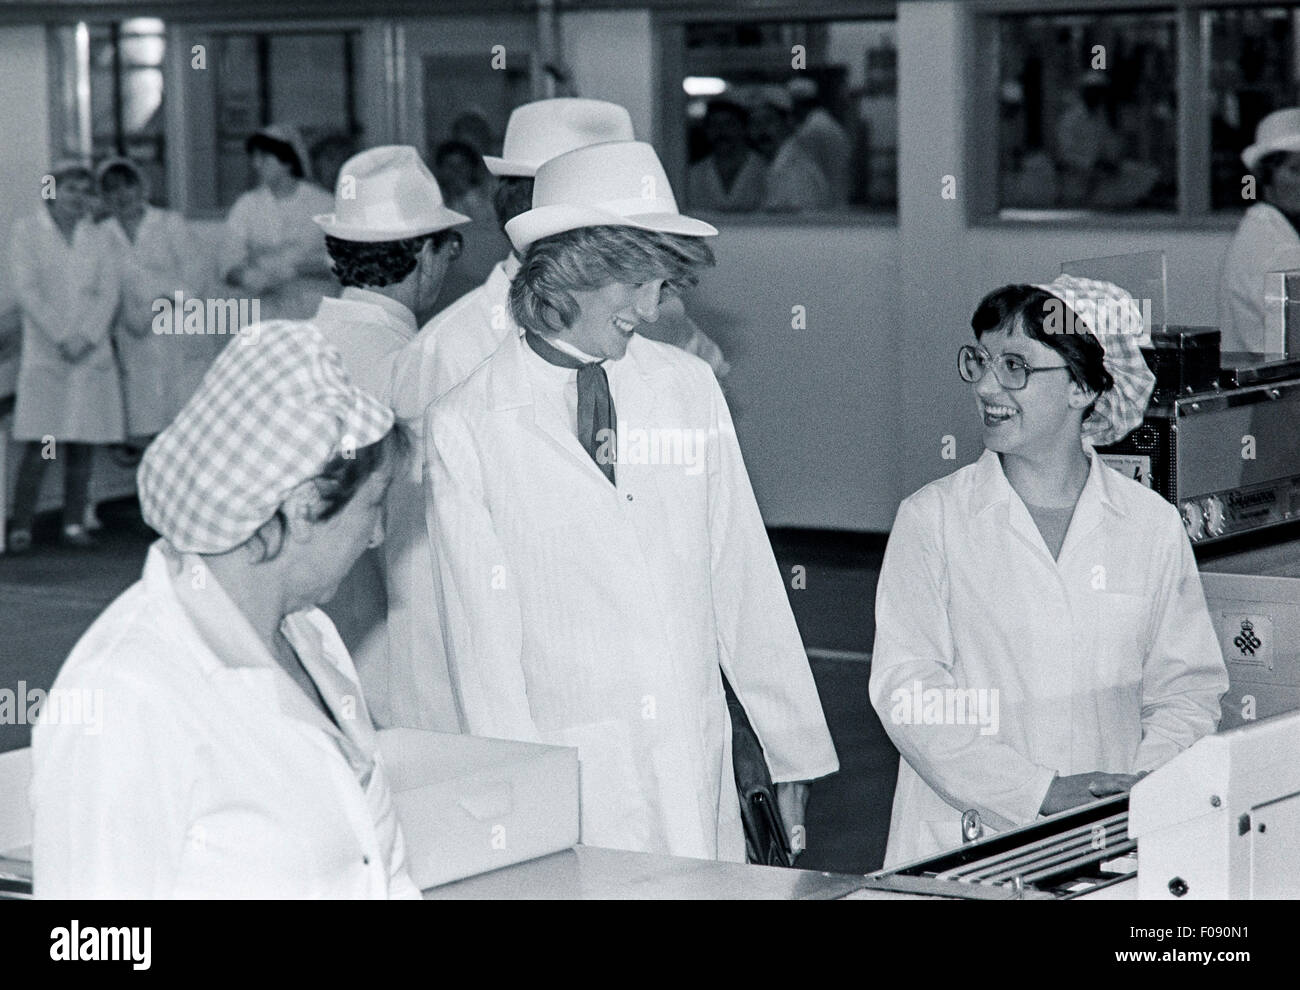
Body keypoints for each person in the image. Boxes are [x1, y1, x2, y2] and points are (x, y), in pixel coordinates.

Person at [425, 140, 838, 860]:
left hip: (695, 751)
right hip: (575, 776)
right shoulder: (466, 423)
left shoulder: (686, 387)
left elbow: (740, 573)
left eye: (664, 287)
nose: (651, 310)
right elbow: (482, 651)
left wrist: (790, 747)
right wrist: (522, 814)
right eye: (636, 284)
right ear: (569, 268)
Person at [31, 320, 420, 899]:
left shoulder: (311, 637)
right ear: (304, 506)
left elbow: (377, 870)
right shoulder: (125, 695)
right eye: (372, 507)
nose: (377, 535)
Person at [869, 275, 1228, 868]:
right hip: (967, 844)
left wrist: (1138, 783)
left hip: (1108, 839)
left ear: (1083, 386)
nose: (987, 385)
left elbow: (1187, 691)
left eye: (1016, 366)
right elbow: (910, 696)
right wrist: (1034, 790)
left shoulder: (1149, 524)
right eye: (981, 360)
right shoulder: (932, 519)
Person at [310, 145, 469, 731]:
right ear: (425, 254)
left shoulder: (303, 347)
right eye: (447, 248)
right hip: (391, 678)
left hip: (310, 659)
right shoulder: (411, 372)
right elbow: (419, 551)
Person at [6, 161, 123, 553]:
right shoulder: (27, 233)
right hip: (49, 355)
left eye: (84, 190)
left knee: (82, 445)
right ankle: (21, 525)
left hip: (89, 356)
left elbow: (109, 293)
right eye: (69, 188)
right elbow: (27, 291)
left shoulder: (100, 238)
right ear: (51, 191)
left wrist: (86, 338)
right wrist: (62, 338)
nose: (77, 198)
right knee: (44, 445)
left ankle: (73, 523)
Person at [96, 157, 191, 441]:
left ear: (141, 188)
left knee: (183, 422)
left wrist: (162, 304)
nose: (121, 195)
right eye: (111, 189)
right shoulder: (101, 234)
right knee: (146, 425)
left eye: (127, 186)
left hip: (177, 328)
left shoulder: (169, 223)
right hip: (131, 333)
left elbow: (195, 275)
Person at [219, 124, 336, 321]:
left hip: (314, 304)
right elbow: (227, 262)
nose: (256, 165)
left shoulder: (323, 204)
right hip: (263, 307)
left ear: (287, 161)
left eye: (264, 158)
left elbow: (340, 263)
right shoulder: (247, 205)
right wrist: (247, 277)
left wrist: (295, 271)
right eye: (254, 158)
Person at [1219, 107, 1300, 353]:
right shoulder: (1276, 247)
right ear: (1266, 176)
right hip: (1271, 386)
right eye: (1296, 170)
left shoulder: (1270, 228)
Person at [750, 89, 834, 212]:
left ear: (788, 123)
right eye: (755, 123)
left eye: (768, 121)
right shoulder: (771, 165)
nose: (761, 130)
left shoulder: (798, 170)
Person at [687, 99, 767, 213]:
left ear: (744, 129)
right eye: (714, 125)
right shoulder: (694, 175)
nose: (721, 131)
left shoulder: (766, 170)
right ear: (706, 131)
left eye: (729, 124)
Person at [433, 139, 495, 223]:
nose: (456, 170)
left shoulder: (488, 200)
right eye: (450, 165)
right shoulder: (434, 200)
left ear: (472, 168)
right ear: (439, 170)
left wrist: (467, 193)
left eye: (462, 165)